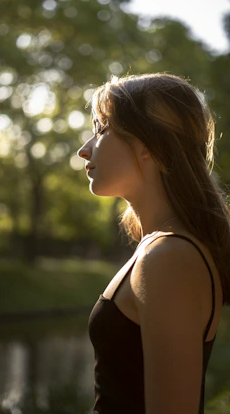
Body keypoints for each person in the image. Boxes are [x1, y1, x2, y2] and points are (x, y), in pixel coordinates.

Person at [77, 73, 230, 414]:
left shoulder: (169, 257)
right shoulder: (159, 249)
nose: (84, 148)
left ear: (148, 144)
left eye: (103, 129)